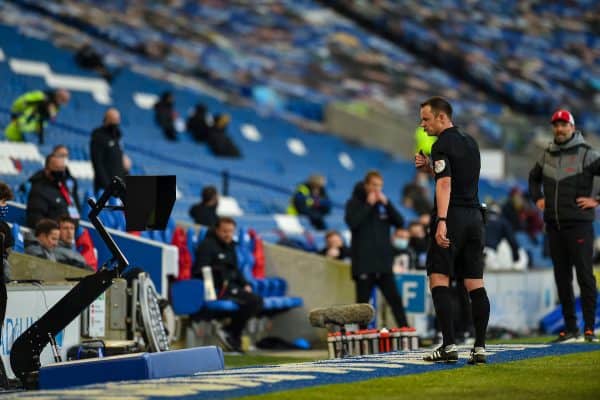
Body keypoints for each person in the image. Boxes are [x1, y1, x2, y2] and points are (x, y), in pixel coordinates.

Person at [415, 96, 489, 364]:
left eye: (426, 119)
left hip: (453, 217)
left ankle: (448, 345)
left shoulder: (441, 144)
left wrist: (442, 221)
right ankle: (479, 347)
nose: (423, 125)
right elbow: (459, 178)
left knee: (439, 277)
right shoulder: (471, 143)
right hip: (475, 218)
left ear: (442, 117)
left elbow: (445, 185)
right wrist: (430, 169)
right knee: (474, 283)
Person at [529, 109, 599, 343]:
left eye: (563, 125)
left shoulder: (586, 153)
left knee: (584, 277)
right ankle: (571, 327)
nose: (559, 129)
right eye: (556, 125)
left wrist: (596, 201)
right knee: (562, 278)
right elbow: (533, 178)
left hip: (579, 225)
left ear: (572, 127)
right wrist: (537, 198)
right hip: (555, 226)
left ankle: (589, 327)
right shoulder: (547, 154)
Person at [344, 170, 409, 329]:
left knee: (395, 300)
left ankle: (406, 331)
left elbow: (400, 222)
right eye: (374, 185)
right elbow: (353, 223)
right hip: (364, 264)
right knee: (363, 306)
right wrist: (368, 204)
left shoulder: (383, 205)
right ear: (366, 185)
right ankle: (363, 337)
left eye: (380, 186)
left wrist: (387, 204)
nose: (377, 189)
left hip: (383, 264)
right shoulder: (354, 203)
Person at [192, 217, 263, 352]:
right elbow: (201, 269)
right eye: (224, 231)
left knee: (258, 300)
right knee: (253, 301)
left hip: (232, 287)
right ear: (217, 230)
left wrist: (245, 284)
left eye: (230, 231)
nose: (228, 234)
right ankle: (232, 334)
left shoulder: (231, 246)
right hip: (218, 288)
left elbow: (235, 270)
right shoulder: (207, 246)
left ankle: (231, 332)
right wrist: (215, 281)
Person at [26, 154, 79, 228]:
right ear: (47, 170)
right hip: (54, 235)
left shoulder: (66, 186)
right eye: (57, 169)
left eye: (63, 169)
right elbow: (35, 219)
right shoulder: (39, 190)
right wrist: (56, 230)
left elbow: (75, 208)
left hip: (72, 233)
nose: (61, 172)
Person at [5, 89, 70, 144]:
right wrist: (14, 115)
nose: (64, 103)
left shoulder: (55, 107)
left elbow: (47, 119)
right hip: (21, 125)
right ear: (58, 96)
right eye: (64, 100)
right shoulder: (41, 97)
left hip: (28, 127)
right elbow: (22, 101)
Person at [90, 108, 127, 193]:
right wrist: (108, 187)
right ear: (106, 119)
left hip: (119, 185)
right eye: (113, 120)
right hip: (105, 187)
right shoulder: (98, 136)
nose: (116, 123)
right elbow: (98, 164)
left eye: (117, 119)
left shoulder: (117, 136)